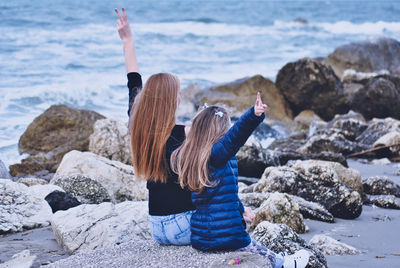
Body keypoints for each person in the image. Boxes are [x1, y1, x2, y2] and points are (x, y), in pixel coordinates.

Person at [171, 94, 310, 268]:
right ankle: (284, 263)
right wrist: (253, 115)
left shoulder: (193, 156)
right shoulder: (217, 155)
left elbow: (224, 195)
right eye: (227, 127)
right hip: (227, 235)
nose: (229, 130)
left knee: (249, 242)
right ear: (220, 132)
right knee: (252, 247)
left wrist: (242, 209)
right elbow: (237, 135)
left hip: (202, 237)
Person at [115, 8, 195, 245]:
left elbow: (133, 81)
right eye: (178, 93)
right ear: (173, 101)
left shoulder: (138, 126)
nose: (180, 97)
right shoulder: (184, 133)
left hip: (157, 227)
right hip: (184, 226)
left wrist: (127, 40)